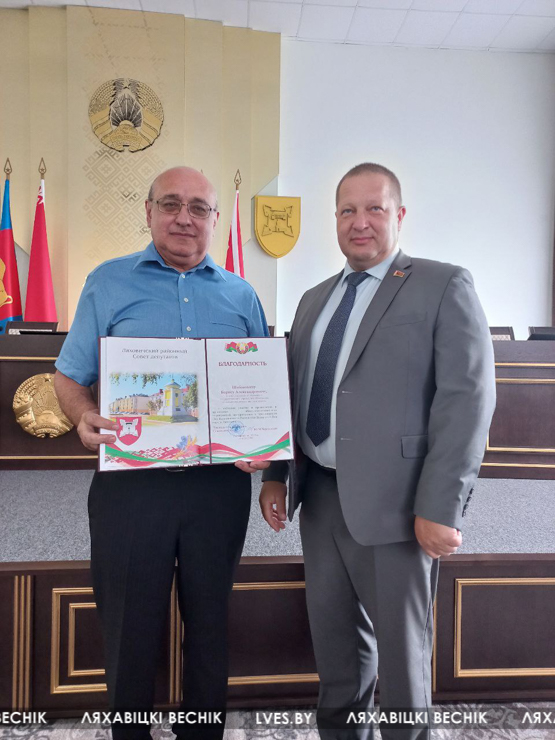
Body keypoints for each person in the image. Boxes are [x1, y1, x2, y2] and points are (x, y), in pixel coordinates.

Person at [259, 163, 496, 739]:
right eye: (347, 210)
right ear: (335, 219)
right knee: (337, 654)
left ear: (399, 215)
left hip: (400, 508)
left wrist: (441, 507)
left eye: (374, 209)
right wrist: (275, 475)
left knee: (402, 663)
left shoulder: (442, 284)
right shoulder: (314, 300)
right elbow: (295, 394)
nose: (359, 222)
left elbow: (467, 401)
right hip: (320, 500)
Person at [54, 166, 269, 740]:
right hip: (131, 486)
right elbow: (68, 376)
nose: (184, 218)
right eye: (171, 204)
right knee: (130, 626)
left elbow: (262, 385)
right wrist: (82, 415)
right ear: (148, 212)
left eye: (199, 208)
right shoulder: (108, 283)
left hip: (218, 487)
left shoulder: (241, 294)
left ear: (215, 220)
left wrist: (265, 450)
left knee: (209, 624)